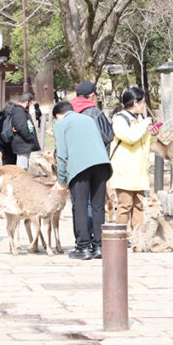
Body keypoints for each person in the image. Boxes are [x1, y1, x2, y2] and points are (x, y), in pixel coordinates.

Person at [51, 101, 112, 260]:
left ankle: (83, 247)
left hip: (79, 168)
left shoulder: (61, 124)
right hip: (102, 165)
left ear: (58, 116)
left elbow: (62, 155)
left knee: (81, 206)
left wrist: (62, 180)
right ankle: (99, 246)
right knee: (98, 207)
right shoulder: (89, 119)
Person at [108, 86, 160, 232]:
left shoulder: (140, 119)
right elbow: (129, 137)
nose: (144, 105)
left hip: (140, 171)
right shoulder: (119, 119)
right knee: (125, 205)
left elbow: (145, 143)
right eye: (143, 102)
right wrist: (144, 126)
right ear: (136, 103)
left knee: (139, 206)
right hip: (125, 171)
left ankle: (137, 237)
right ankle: (120, 237)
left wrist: (152, 133)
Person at [70, 81, 114, 147]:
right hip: (94, 153)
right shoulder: (95, 113)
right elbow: (108, 137)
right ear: (92, 95)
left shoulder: (68, 111)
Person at [8, 92, 41, 171]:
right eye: (30, 102)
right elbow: (21, 128)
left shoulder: (20, 111)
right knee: (22, 168)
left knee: (24, 165)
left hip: (23, 143)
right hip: (22, 144)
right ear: (27, 102)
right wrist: (30, 138)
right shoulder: (18, 111)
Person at [0, 101, 16, 166]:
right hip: (12, 145)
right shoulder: (13, 118)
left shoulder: (1, 118)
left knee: (5, 164)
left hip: (2, 145)